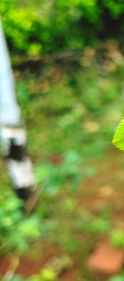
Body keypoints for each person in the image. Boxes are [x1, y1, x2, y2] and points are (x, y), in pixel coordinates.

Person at [0, 19, 36, 206]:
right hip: (9, 119)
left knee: (14, 145)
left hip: (10, 118)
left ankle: (26, 188)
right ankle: (24, 188)